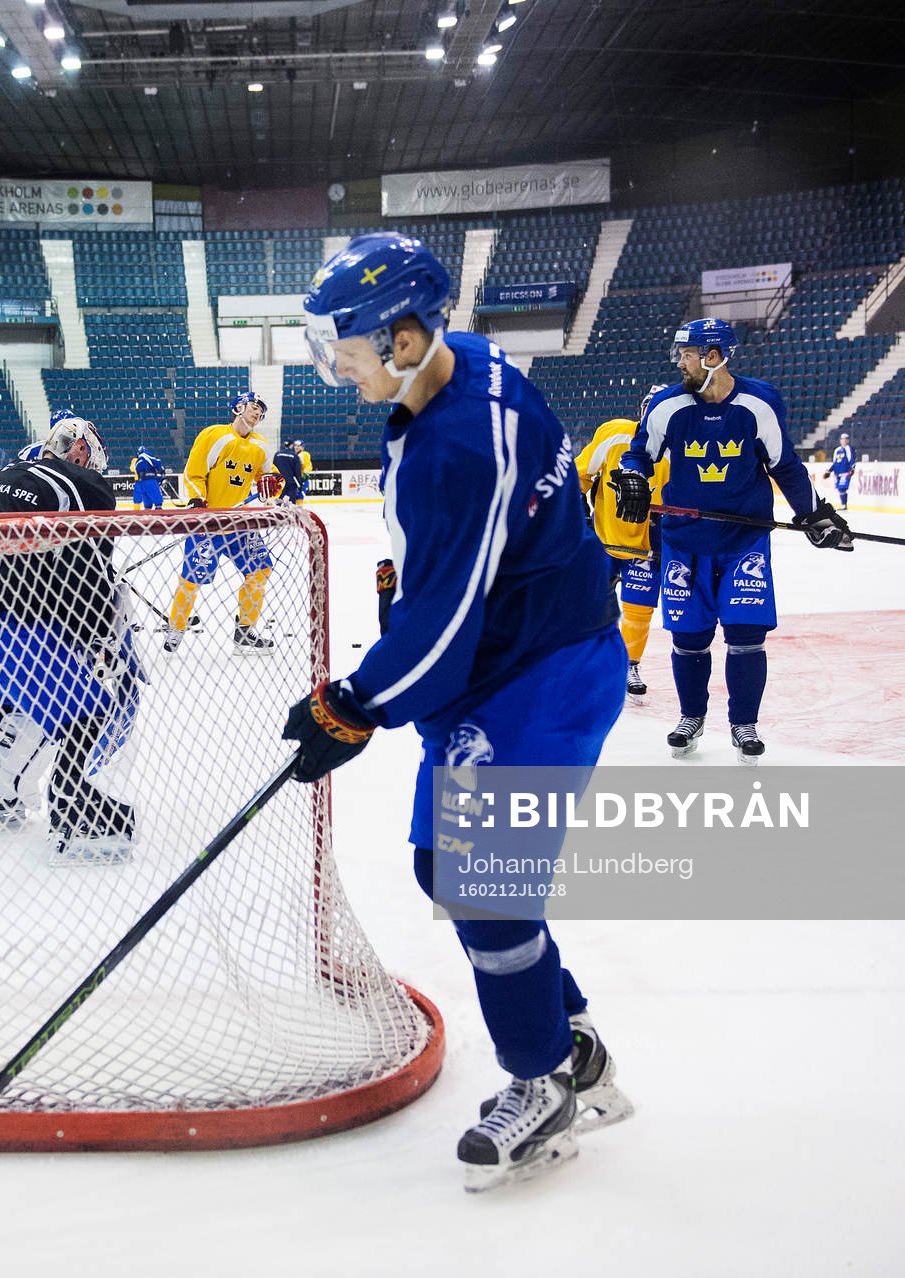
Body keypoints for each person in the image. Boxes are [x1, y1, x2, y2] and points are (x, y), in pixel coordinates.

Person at [282, 233, 632, 1193]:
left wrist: (352, 705)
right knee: (449, 864)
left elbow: (442, 621)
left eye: (344, 351)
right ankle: (576, 1048)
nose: (334, 370)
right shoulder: (463, 361)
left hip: (543, 669)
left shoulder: (460, 449)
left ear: (400, 337)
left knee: (486, 884)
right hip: (509, 659)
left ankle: (545, 1084)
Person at [609, 318, 851, 764]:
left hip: (744, 540)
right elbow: (638, 455)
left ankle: (744, 722)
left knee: (745, 634)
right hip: (684, 541)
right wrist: (632, 477)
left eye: (686, 354)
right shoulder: (666, 405)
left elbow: (784, 464)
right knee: (690, 636)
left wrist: (814, 514)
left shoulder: (760, 403)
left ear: (714, 356)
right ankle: (691, 716)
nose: (679, 362)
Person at [0, 415, 140, 863]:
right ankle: (78, 814)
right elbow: (87, 575)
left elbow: (6, 562)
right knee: (94, 713)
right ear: (82, 453)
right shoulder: (87, 485)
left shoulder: (2, 477)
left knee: (29, 698)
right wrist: (101, 635)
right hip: (14, 630)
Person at [579, 386, 672, 703]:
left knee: (639, 612)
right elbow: (579, 474)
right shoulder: (615, 434)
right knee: (589, 607)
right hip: (604, 542)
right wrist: (578, 510)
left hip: (645, 549)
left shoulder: (680, 452)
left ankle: (628, 666)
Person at [167, 390, 273, 655]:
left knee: (260, 570)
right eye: (253, 406)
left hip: (240, 523)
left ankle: (245, 631)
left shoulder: (261, 446)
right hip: (208, 522)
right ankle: (177, 626)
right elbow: (193, 472)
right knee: (193, 578)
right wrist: (196, 499)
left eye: (261, 409)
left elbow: (270, 479)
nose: (257, 411)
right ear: (238, 407)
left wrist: (274, 485)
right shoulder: (214, 435)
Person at [271, 437, 308, 504]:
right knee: (291, 503)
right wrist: (299, 483)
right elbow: (297, 471)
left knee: (279, 501)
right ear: (291, 445)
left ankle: (278, 513)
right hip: (291, 483)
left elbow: (273, 468)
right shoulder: (294, 456)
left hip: (280, 482)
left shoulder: (277, 454)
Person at [130, 446, 166, 510]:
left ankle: (146, 514)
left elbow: (134, 468)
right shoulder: (145, 455)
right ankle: (158, 512)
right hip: (150, 480)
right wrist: (162, 474)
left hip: (140, 482)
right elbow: (157, 463)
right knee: (158, 502)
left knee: (146, 505)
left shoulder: (137, 460)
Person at [827, 433, 856, 509]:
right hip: (838, 473)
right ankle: (843, 504)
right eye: (842, 439)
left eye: (846, 439)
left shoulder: (849, 449)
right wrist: (829, 471)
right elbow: (835, 462)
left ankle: (844, 505)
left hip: (845, 473)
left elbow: (852, 459)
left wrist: (852, 468)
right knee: (840, 489)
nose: (844, 440)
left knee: (842, 488)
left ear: (848, 440)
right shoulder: (837, 450)